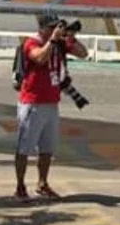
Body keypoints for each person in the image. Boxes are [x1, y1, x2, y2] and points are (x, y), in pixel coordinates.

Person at [13, 13, 89, 202]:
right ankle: (20, 186)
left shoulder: (59, 44)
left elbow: (83, 53)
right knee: (24, 147)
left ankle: (42, 183)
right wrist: (53, 40)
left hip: (51, 102)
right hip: (32, 102)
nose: (55, 30)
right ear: (42, 28)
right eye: (52, 27)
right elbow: (39, 58)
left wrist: (71, 37)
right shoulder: (32, 42)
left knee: (47, 148)